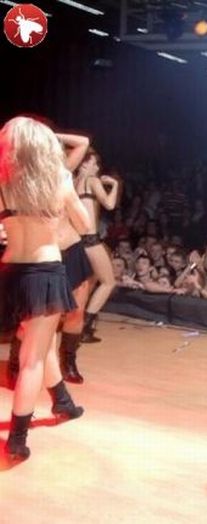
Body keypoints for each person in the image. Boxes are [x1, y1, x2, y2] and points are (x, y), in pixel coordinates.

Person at [0, 116, 92, 461]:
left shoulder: (3, 183)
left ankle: (63, 403)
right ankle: (17, 439)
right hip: (45, 271)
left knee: (41, 342)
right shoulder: (59, 179)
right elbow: (85, 225)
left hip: (10, 271)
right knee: (32, 359)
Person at [74, 148, 119, 344]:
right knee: (108, 282)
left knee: (89, 283)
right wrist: (115, 185)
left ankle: (76, 324)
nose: (98, 168)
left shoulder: (73, 182)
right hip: (90, 240)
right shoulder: (92, 181)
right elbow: (109, 204)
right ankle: (85, 327)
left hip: (77, 240)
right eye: (94, 163)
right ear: (84, 163)